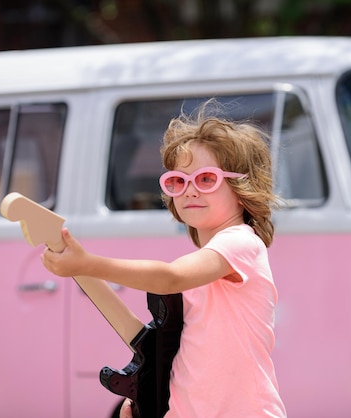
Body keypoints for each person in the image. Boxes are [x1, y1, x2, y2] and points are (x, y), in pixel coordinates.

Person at [41, 100, 287, 417]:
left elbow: (168, 278)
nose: (190, 191)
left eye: (206, 179)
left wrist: (87, 264)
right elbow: (184, 354)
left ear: (243, 186)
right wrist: (149, 395)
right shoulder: (205, 265)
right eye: (177, 181)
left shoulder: (241, 244)